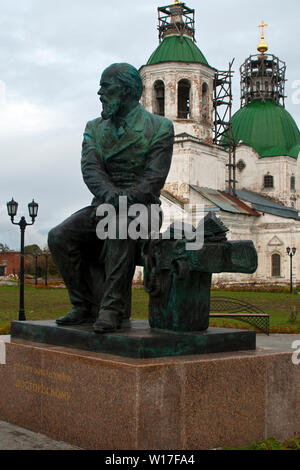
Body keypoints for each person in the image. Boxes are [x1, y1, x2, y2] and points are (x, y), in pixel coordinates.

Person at [48, 63, 174, 333]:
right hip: (105, 203)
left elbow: (154, 178)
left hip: (144, 210)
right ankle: (84, 306)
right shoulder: (94, 128)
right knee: (59, 236)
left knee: (117, 224)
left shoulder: (159, 127)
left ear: (126, 90)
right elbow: (90, 168)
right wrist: (110, 195)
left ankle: (112, 309)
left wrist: (125, 199)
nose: (100, 93)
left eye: (106, 86)